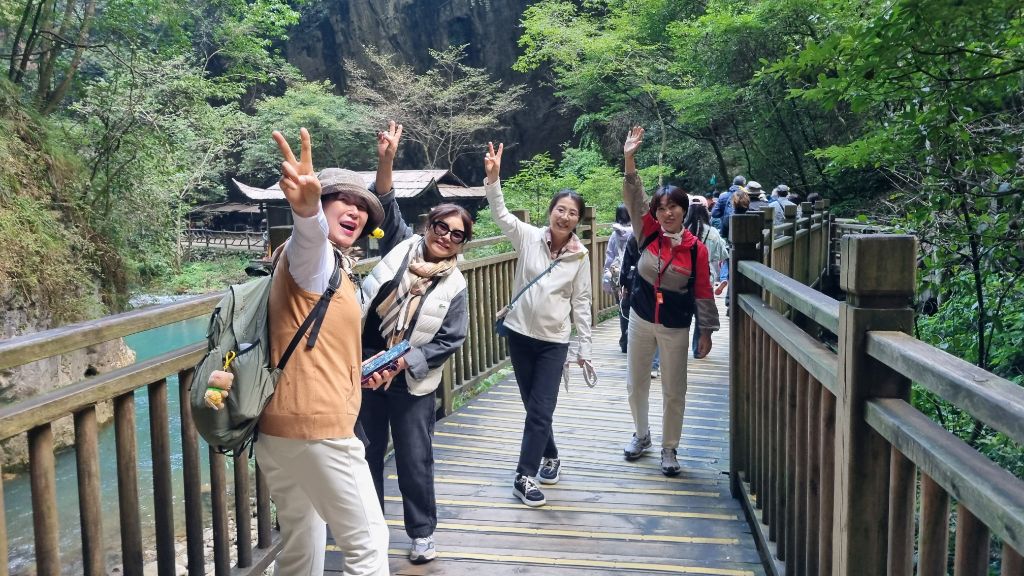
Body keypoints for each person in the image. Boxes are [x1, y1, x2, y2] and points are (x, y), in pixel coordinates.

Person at [255, 128, 390, 575]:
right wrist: (307, 210)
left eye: (362, 207)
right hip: (318, 429)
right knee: (369, 546)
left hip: (279, 429)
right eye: (342, 201)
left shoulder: (327, 267)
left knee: (302, 547)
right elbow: (309, 236)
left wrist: (358, 370)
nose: (355, 211)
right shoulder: (313, 257)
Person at [357, 122, 471, 564]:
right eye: (441, 227)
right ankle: (369, 528)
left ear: (462, 243)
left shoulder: (455, 284)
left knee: (414, 458)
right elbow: (385, 203)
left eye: (457, 234)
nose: (446, 236)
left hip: (410, 379)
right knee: (365, 452)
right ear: (428, 225)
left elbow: (451, 338)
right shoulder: (402, 247)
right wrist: (386, 160)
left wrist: (404, 362)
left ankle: (422, 532)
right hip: (365, 369)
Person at [483, 141, 593, 508]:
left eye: (572, 213)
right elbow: (501, 215)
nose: (565, 216)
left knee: (542, 408)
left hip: (553, 341)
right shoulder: (529, 237)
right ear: (550, 211)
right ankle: (552, 455)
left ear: (579, 220)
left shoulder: (580, 257)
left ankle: (524, 475)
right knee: (534, 407)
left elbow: (581, 301)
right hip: (518, 334)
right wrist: (494, 179)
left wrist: (584, 347)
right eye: (560, 209)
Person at [620, 126, 719, 477]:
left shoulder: (696, 249)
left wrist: (706, 331)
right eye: (661, 208)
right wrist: (629, 159)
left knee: (674, 390)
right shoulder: (647, 232)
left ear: (684, 209)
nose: (667, 213)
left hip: (676, 324)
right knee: (636, 383)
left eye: (673, 206)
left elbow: (703, 290)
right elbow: (635, 199)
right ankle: (642, 435)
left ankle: (669, 447)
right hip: (641, 316)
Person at [684, 203, 730, 358]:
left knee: (683, 313)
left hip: (683, 276)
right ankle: (698, 349)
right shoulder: (713, 232)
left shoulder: (683, 231)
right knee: (701, 315)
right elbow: (722, 254)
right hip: (705, 276)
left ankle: (679, 347)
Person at [603, 203, 632, 353]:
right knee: (636, 308)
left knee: (622, 307)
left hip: (617, 274)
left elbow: (610, 257)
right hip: (634, 274)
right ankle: (633, 340)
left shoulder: (614, 235)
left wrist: (606, 274)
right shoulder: (637, 232)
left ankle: (624, 341)